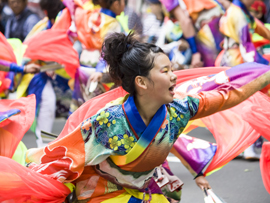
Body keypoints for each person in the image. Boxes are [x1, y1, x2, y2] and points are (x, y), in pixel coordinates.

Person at [2, 32, 270, 202]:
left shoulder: (179, 109)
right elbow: (64, 159)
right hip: (100, 193)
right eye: (165, 70)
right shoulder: (110, 122)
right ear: (142, 82)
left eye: (173, 69)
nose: (175, 75)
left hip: (142, 191)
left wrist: (263, 76)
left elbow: (227, 96)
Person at [158, 0, 229, 67]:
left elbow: (185, 21)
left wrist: (195, 52)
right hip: (222, 18)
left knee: (216, 69)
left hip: (207, 27)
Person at [217, 0, 270, 66]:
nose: (254, 1)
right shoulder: (238, 14)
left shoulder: (240, 10)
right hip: (236, 60)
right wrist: (265, 64)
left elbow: (260, 28)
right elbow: (246, 47)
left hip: (236, 56)